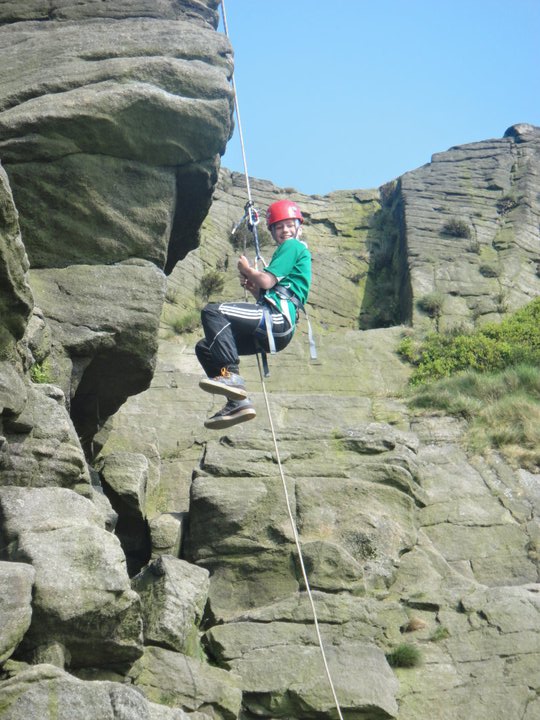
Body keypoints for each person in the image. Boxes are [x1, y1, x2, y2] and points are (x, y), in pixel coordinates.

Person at [196, 199, 312, 429]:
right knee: (205, 347)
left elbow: (268, 279)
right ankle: (237, 402)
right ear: (272, 231)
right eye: (279, 227)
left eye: (289, 225)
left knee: (212, 311)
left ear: (299, 226)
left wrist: (247, 270)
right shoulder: (290, 252)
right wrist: (255, 289)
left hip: (277, 319)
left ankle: (231, 377)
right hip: (275, 327)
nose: (285, 231)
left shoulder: (294, 247)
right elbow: (270, 287)